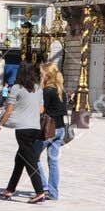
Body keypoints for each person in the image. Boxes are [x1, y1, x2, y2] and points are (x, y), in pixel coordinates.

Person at [0, 61, 48, 203]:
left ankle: (40, 192)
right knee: (20, 159)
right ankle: (10, 189)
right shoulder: (38, 89)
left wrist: (0, 124)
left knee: (30, 161)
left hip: (23, 129)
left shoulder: (17, 88)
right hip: (35, 128)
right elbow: (41, 110)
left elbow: (9, 110)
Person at [38, 64, 68, 201]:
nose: (40, 75)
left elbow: (41, 110)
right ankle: (53, 192)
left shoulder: (47, 91)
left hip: (49, 129)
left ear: (47, 75)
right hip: (60, 129)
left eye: (41, 73)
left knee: (33, 157)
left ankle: (44, 187)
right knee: (53, 162)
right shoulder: (61, 90)